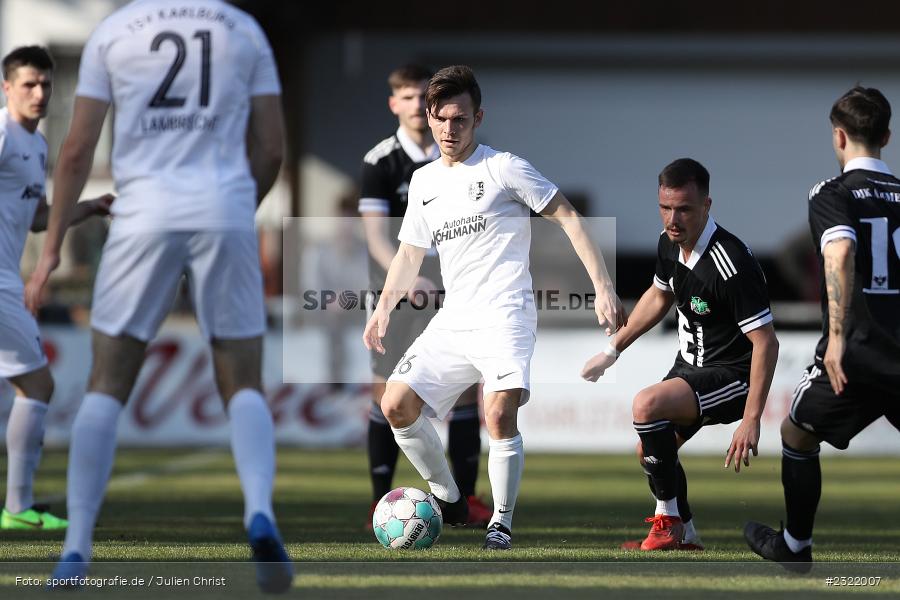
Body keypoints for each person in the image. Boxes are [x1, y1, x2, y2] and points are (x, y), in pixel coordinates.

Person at [24, 1, 291, 592]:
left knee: (107, 385)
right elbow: (272, 148)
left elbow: (75, 152)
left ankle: (76, 550)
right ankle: (258, 511)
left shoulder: (115, 31)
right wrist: (234, 215)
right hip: (222, 205)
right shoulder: (242, 28)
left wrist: (48, 256)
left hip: (143, 213)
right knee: (242, 380)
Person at [363, 65, 625, 550]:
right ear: (429, 116)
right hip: (455, 319)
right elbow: (407, 255)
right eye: (440, 118)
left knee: (499, 412)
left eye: (459, 119)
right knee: (395, 404)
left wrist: (602, 287)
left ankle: (500, 522)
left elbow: (567, 216)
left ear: (477, 117)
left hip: (506, 314)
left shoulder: (503, 167)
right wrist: (382, 310)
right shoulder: (423, 182)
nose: (448, 129)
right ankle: (448, 495)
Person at [582, 158, 779, 552]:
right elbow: (659, 295)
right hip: (690, 369)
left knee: (646, 404)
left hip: (732, 376)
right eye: (665, 207)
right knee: (649, 449)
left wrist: (751, 419)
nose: (673, 218)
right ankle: (685, 532)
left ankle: (668, 522)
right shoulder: (668, 243)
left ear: (707, 206)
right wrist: (612, 348)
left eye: (685, 209)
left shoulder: (731, 263)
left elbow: (766, 342)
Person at [744, 86, 900, 572]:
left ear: (838, 136)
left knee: (797, 430)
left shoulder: (832, 193)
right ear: (887, 137)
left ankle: (795, 544)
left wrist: (835, 338)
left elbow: (840, 252)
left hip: (859, 348)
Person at [359, 64, 489, 528]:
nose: (419, 107)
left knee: (467, 398)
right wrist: (401, 286)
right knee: (386, 399)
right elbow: (376, 237)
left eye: (423, 98)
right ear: (396, 104)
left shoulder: (458, 152)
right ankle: (381, 500)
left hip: (452, 294)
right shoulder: (380, 162)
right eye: (409, 98)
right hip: (399, 291)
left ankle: (466, 499)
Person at [0, 46, 112, 532]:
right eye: (28, 84)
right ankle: (18, 509)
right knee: (38, 384)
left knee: (33, 386)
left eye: (46, 84)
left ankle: (17, 508)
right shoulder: (2, 134)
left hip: (7, 275)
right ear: (6, 88)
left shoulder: (37, 146)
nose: (40, 93)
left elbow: (39, 218)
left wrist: (89, 207)